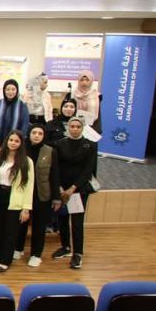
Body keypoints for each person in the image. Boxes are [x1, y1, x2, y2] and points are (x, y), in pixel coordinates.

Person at [52, 116, 97, 270]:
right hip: (61, 189)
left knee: (77, 222)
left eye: (78, 126)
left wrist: (72, 188)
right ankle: (65, 247)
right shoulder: (60, 144)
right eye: (72, 126)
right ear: (68, 127)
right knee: (62, 219)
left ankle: (77, 253)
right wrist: (59, 187)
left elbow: (88, 170)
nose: (75, 129)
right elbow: (56, 167)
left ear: (82, 128)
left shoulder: (89, 146)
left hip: (78, 190)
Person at [0, 130, 34, 273]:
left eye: (16, 141)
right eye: (11, 140)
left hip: (14, 198)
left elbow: (29, 186)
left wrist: (26, 208)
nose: (13, 143)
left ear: (21, 143)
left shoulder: (26, 161)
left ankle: (5, 261)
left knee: (10, 231)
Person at [16, 124, 59, 267]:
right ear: (29, 134)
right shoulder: (21, 149)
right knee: (21, 223)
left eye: (40, 133)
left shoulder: (50, 151)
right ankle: (18, 248)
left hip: (42, 194)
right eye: (34, 132)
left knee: (39, 226)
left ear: (44, 136)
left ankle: (36, 254)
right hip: (23, 193)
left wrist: (56, 197)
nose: (36, 135)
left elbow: (54, 175)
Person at [0, 78, 29, 148]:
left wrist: (17, 142)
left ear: (17, 90)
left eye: (13, 89)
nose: (10, 92)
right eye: (8, 89)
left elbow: (25, 126)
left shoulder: (22, 106)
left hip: (14, 144)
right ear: (4, 91)